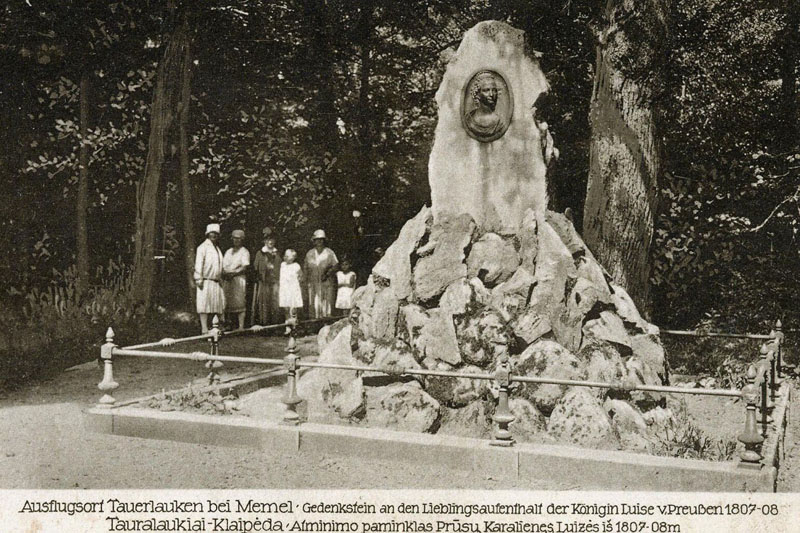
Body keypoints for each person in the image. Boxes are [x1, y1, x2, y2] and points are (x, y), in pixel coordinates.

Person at [193, 223, 225, 333]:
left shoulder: (217, 249)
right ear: (207, 234)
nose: (214, 235)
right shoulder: (202, 247)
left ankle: (215, 327)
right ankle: (204, 328)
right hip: (205, 279)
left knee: (216, 304)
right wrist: (198, 278)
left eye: (216, 233)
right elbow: (198, 263)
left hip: (216, 280)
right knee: (204, 304)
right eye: (212, 233)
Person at [304, 229, 338, 319]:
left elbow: (336, 266)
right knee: (313, 302)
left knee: (326, 302)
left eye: (321, 239)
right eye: (317, 239)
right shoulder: (309, 253)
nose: (319, 241)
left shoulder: (329, 252)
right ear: (314, 241)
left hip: (326, 281)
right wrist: (305, 280)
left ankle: (326, 322)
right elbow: (306, 268)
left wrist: (327, 273)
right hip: (313, 282)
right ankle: (313, 323)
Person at [464, 72, 508, 140]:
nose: (491, 94)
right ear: (478, 94)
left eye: (494, 90)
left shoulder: (500, 122)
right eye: (486, 90)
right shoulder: (469, 118)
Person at [251, 231, 281, 325]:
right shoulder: (260, 253)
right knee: (264, 303)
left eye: (272, 239)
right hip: (264, 282)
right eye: (268, 239)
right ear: (264, 241)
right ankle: (264, 324)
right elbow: (256, 268)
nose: (270, 241)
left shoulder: (277, 253)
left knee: (275, 303)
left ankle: (275, 324)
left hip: (275, 282)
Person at [222, 229, 250, 330]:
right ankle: (228, 324)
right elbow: (223, 265)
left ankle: (241, 326)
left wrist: (234, 274)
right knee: (227, 301)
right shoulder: (228, 251)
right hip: (227, 279)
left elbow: (244, 267)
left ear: (242, 239)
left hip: (238, 279)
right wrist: (225, 273)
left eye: (238, 238)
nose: (236, 240)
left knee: (239, 301)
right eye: (234, 238)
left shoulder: (244, 251)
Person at [279, 249, 304, 321]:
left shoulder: (296, 266)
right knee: (286, 308)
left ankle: (294, 326)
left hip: (293, 290)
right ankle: (287, 326)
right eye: (285, 256)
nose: (285, 257)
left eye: (288, 256)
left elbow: (301, 276)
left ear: (294, 257)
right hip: (284, 290)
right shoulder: (282, 265)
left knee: (293, 309)